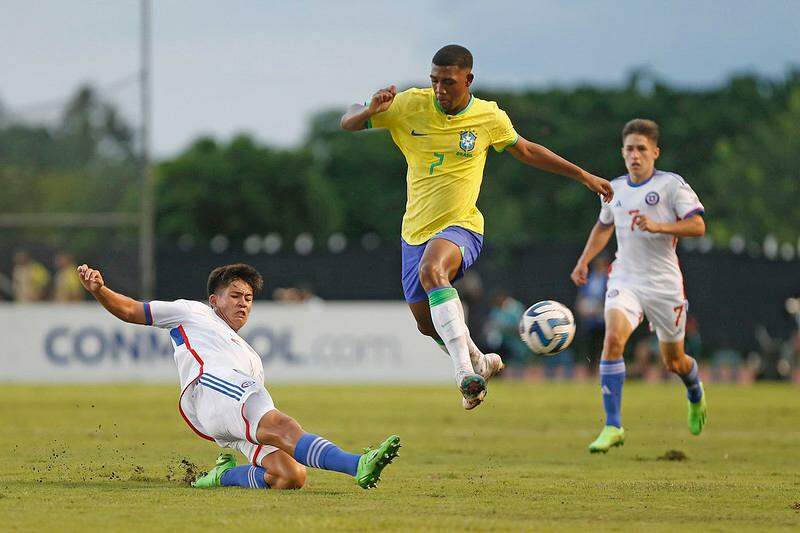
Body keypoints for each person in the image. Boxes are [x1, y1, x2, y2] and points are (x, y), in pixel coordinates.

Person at [340, 44, 613, 409]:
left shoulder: (488, 117)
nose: (440, 89)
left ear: (468, 80)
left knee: (432, 270)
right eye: (435, 81)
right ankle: (479, 362)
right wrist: (370, 110)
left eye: (449, 82)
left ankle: (463, 375)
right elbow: (348, 121)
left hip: (462, 227)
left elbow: (528, 150)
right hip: (414, 233)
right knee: (426, 324)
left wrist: (582, 175)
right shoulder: (407, 105)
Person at [77, 262, 400, 490]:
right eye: (235, 296)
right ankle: (357, 464)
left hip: (230, 402)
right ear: (214, 300)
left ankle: (222, 477)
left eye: (248, 298)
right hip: (212, 386)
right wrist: (100, 290)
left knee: (290, 476)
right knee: (283, 426)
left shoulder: (250, 355)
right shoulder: (192, 311)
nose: (243, 304)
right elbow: (132, 310)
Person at [570, 118, 707, 453]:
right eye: (630, 149)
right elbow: (604, 227)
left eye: (642, 149)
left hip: (664, 285)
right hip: (625, 279)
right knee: (613, 338)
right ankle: (613, 425)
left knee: (673, 362)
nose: (635, 155)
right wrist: (584, 260)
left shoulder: (672, 186)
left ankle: (694, 390)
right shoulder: (613, 190)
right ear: (622, 152)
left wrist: (659, 226)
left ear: (655, 152)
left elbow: (698, 226)